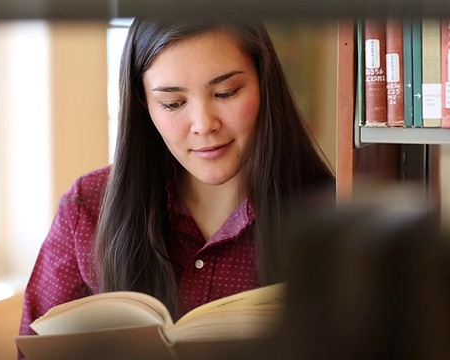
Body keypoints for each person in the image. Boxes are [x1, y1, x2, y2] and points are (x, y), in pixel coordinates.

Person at [18, 15, 335, 347]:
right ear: (144, 104)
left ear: (263, 81)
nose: (203, 124)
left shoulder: (330, 216)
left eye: (226, 93)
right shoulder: (88, 206)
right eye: (173, 103)